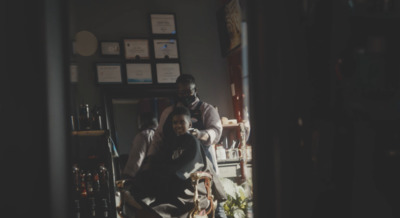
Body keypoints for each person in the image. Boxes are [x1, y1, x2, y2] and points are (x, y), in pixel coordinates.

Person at [146, 73, 227, 218]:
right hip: (177, 162)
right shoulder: (168, 112)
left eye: (188, 91)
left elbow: (216, 131)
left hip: (202, 161)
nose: (185, 95)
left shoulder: (207, 109)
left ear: (195, 90)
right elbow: (158, 138)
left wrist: (199, 134)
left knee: (214, 205)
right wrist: (151, 158)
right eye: (181, 92)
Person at [127, 106, 226, 218]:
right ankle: (139, 200)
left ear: (189, 125)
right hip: (173, 180)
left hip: (189, 185)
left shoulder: (192, 142)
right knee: (148, 176)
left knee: (167, 192)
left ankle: (147, 204)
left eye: (181, 122)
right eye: (175, 123)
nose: (177, 126)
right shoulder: (171, 142)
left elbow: (192, 164)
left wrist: (172, 173)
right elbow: (162, 161)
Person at [122, 112, 158, 179]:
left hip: (148, 181)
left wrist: (126, 178)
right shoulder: (163, 135)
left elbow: (136, 160)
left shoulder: (143, 136)